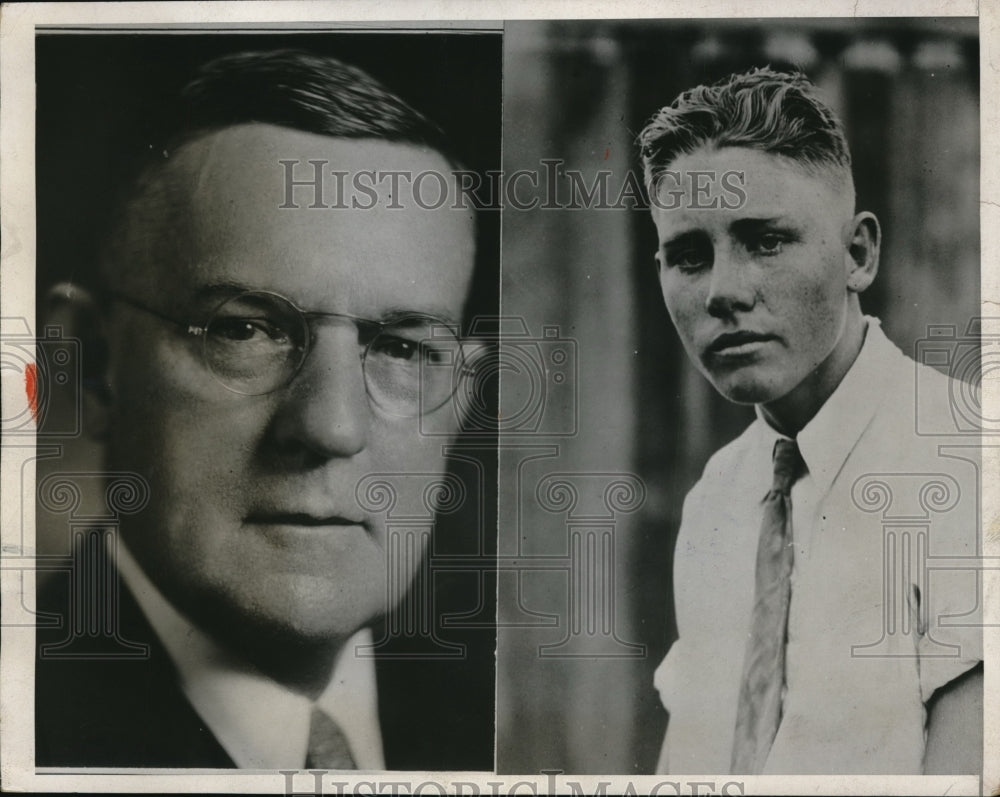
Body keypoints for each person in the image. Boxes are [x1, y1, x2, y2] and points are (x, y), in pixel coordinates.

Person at [35, 48, 493, 770]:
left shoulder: (506, 724)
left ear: (460, 396)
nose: (332, 426)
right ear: (89, 364)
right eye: (245, 329)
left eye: (402, 349)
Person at [638, 68, 982, 775]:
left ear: (858, 254)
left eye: (765, 240)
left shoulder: (969, 458)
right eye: (689, 256)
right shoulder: (718, 496)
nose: (724, 291)